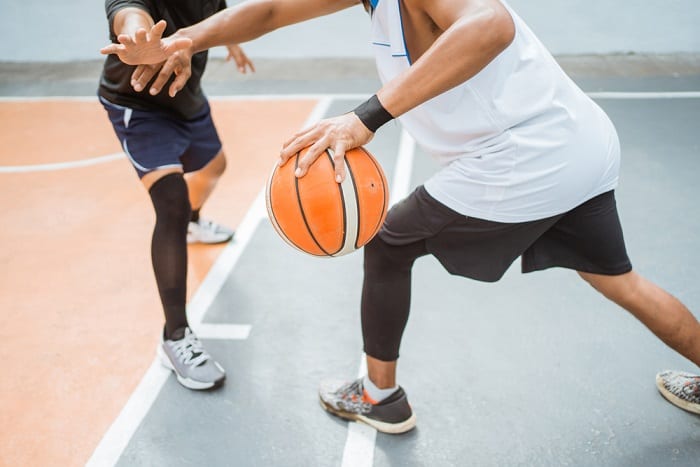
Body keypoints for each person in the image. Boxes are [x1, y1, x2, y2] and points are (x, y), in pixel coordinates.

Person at [101, 0, 700, 427]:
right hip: (578, 143)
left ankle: (379, 397)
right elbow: (270, 12)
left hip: (522, 159)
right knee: (620, 282)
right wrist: (186, 39)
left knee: (389, 245)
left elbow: (492, 22)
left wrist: (366, 117)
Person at [98, 0, 255, 390]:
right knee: (172, 203)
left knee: (215, 167)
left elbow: (219, 12)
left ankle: (194, 224)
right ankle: (175, 336)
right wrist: (138, 35)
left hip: (187, 97)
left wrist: (230, 42)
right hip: (140, 105)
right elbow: (130, 14)